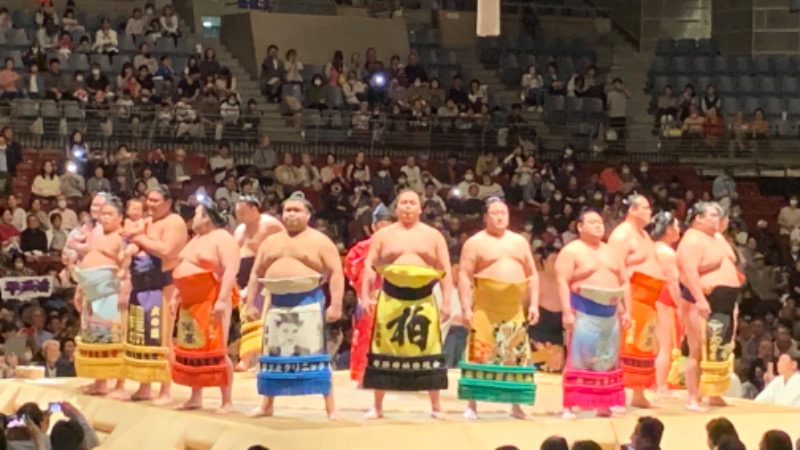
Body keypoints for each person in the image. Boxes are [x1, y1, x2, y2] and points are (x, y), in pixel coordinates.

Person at [246, 192, 343, 419]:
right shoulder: (270, 242)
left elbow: (337, 272)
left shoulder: (320, 240)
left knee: (316, 354)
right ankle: (267, 404)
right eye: (287, 210)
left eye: (296, 210)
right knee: (273, 354)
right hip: (277, 304)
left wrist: (336, 304)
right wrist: (251, 302)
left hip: (308, 302)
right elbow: (256, 274)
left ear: (308, 215)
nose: (291, 214)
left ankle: (331, 407)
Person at [360, 190, 453, 419]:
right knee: (383, 350)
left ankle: (436, 406)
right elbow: (369, 267)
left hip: (423, 299)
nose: (408, 207)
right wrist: (365, 296)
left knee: (430, 349)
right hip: (391, 298)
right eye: (403, 203)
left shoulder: (434, 236)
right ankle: (378, 406)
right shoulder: (383, 235)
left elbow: (445, 271)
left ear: (420, 208)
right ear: (397, 208)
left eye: (413, 203)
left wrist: (448, 301)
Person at [457, 197, 539, 420]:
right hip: (485, 307)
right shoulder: (475, 243)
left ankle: (517, 405)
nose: (500, 216)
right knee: (479, 353)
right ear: (485, 217)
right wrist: (465, 307)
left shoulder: (519, 242)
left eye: (503, 212)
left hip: (513, 309)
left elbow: (531, 274)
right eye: (494, 213)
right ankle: (472, 404)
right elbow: (464, 275)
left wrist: (533, 303)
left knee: (516, 356)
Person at [555, 209, 628, 418]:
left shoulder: (611, 252)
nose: (598, 226)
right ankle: (569, 404)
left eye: (600, 222)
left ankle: (604, 403)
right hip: (583, 310)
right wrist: (567, 312)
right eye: (593, 222)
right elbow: (562, 282)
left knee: (607, 359)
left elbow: (622, 282)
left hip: (610, 312)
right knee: (578, 359)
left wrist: (625, 311)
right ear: (580, 226)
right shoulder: (572, 251)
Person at [170, 197, 239, 413]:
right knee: (192, 348)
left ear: (207, 218)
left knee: (216, 348)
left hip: (212, 297)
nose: (193, 218)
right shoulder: (196, 239)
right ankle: (195, 396)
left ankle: (226, 401)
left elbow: (230, 269)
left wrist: (221, 299)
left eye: (197, 214)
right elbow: (185, 265)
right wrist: (176, 296)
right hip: (190, 301)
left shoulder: (222, 238)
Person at [122, 186, 188, 403]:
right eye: (148, 200)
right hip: (142, 282)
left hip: (163, 283)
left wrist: (140, 240)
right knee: (144, 337)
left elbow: (167, 251)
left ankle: (166, 390)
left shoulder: (174, 222)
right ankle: (145, 386)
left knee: (163, 337)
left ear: (168, 203)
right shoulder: (147, 221)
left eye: (155, 200)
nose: (150, 204)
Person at [677, 202, 741, 410]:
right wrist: (700, 299)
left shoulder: (717, 238)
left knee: (720, 348)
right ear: (698, 218)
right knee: (697, 348)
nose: (718, 219)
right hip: (703, 299)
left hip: (725, 299)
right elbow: (689, 271)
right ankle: (693, 397)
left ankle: (714, 394)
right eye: (713, 215)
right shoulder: (693, 239)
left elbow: (730, 261)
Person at [607, 194, 665, 409]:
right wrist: (622, 306)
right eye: (646, 208)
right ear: (632, 210)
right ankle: (616, 394)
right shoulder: (622, 235)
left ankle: (639, 395)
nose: (650, 212)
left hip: (647, 303)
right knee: (622, 347)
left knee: (642, 350)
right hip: (632, 299)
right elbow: (615, 269)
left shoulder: (643, 235)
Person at [74, 196, 125, 395]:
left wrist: (123, 288)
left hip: (110, 287)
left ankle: (119, 384)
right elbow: (87, 257)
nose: (105, 218)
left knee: (113, 337)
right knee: (95, 336)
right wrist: (79, 288)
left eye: (110, 214)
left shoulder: (123, 235)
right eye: (103, 214)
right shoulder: (95, 232)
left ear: (120, 217)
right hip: (90, 286)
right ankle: (100, 381)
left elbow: (127, 265)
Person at [343, 204, 395, 386]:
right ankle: (363, 376)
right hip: (369, 297)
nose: (385, 230)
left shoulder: (399, 247)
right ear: (374, 227)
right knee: (365, 337)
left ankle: (394, 375)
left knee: (393, 337)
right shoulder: (361, 248)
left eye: (389, 226)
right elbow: (351, 268)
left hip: (395, 297)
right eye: (381, 226)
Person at [234, 195, 284, 372]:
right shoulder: (240, 229)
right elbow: (234, 253)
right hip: (244, 275)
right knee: (246, 317)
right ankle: (246, 359)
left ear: (255, 209)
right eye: (238, 212)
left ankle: (264, 356)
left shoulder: (270, 224)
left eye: (243, 212)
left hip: (264, 274)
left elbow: (285, 245)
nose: (240, 215)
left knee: (264, 316)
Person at [649, 212, 683, 397]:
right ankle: (661, 385)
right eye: (676, 226)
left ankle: (654, 382)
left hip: (650, 297)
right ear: (669, 229)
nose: (678, 229)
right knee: (665, 345)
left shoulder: (650, 248)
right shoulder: (667, 252)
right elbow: (673, 282)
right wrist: (681, 307)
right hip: (664, 297)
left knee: (654, 344)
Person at [529, 246, 564, 373]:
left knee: (556, 371)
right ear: (544, 262)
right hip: (537, 335)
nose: (558, 264)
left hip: (557, 337)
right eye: (554, 260)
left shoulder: (565, 282)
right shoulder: (536, 280)